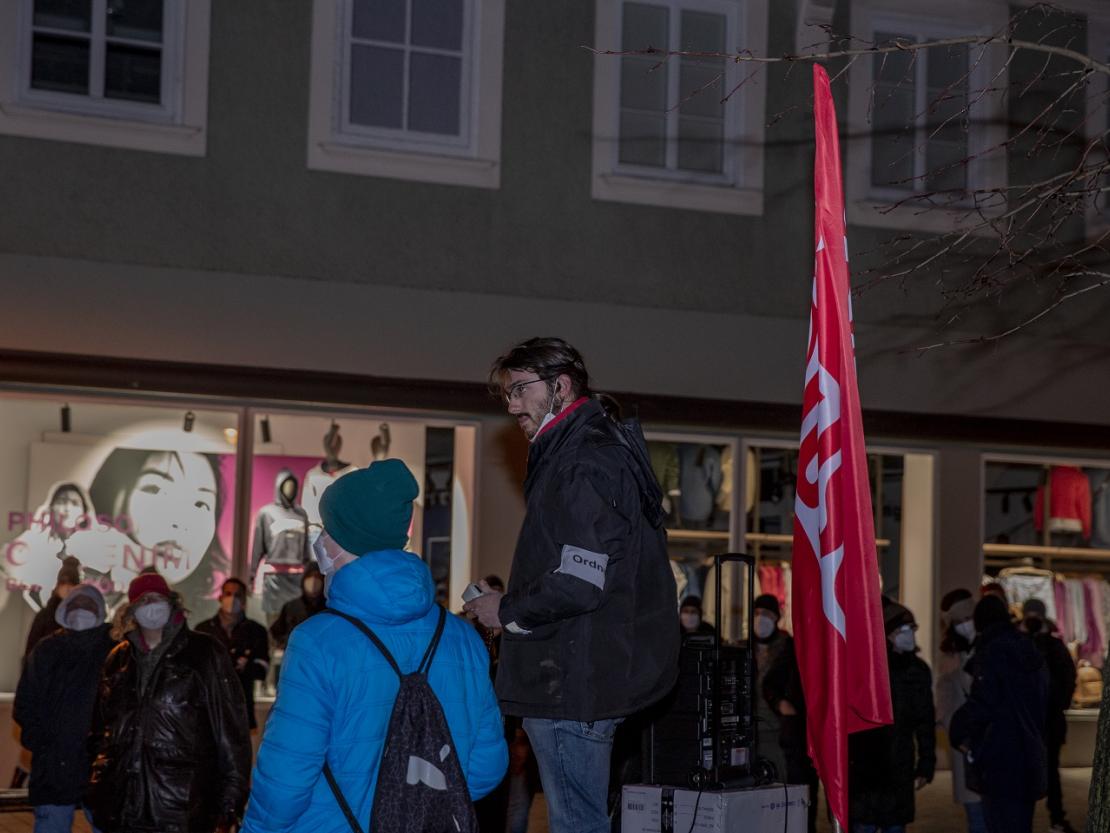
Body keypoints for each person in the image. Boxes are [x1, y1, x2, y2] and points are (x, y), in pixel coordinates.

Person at [465, 337, 679, 833]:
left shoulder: (583, 460)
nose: (512, 405)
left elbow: (580, 582)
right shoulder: (585, 451)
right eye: (507, 394)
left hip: (572, 682)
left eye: (520, 389)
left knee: (576, 824)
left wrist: (507, 608)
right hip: (581, 676)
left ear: (560, 387)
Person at [242, 460, 508, 832]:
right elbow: (485, 768)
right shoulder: (462, 638)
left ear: (348, 539)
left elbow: (286, 780)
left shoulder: (316, 641)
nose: (319, 540)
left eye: (326, 530)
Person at [86, 572, 251, 833]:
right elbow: (101, 731)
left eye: (158, 599)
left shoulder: (203, 653)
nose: (151, 606)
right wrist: (96, 784)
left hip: (181, 806)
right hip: (123, 806)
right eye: (144, 601)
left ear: (172, 602)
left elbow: (230, 727)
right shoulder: (118, 660)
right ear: (131, 610)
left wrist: (232, 796)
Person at [77, 448, 230, 617]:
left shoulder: (205, 623)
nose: (179, 521)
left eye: (201, 504)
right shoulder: (83, 604)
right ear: (115, 496)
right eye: (155, 489)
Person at [14, 584, 114, 833]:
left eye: (88, 607)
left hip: (100, 768)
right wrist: (42, 742)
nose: (81, 612)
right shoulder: (47, 650)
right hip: (53, 765)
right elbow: (25, 703)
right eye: (75, 606)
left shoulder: (114, 651)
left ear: (100, 611)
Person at [950, 594, 1049, 833]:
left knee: (999, 821)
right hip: (1028, 754)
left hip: (1000, 756)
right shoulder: (1027, 649)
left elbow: (984, 701)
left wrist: (958, 727)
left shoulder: (991, 652)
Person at [848, 601, 936, 833]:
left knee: (894, 825)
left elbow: (925, 720)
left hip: (899, 766)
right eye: (903, 630)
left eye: (912, 629)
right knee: (863, 824)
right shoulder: (866, 668)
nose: (910, 635)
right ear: (887, 634)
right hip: (865, 768)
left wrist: (926, 763)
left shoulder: (918, 670)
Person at [756, 594, 819, 833]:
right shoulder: (743, 648)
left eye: (768, 615)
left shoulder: (788, 646)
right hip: (766, 733)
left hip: (791, 732)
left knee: (796, 794)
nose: (761, 620)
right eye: (757, 614)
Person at [1020, 598, 1078, 833]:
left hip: (1049, 721)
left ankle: (1056, 817)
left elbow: (1067, 678)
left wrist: (1057, 705)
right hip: (1026, 722)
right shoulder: (1019, 643)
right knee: (1026, 774)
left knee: (1051, 772)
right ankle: (1027, 820)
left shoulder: (1054, 646)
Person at [935, 588, 984, 833]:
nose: (966, 625)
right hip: (967, 748)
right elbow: (944, 709)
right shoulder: (951, 659)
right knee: (977, 817)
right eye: (960, 621)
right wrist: (961, 737)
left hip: (995, 744)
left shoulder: (990, 646)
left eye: (969, 618)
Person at [196, 577, 271, 731]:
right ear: (220, 597)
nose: (232, 599)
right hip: (207, 710)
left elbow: (262, 670)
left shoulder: (256, 631)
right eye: (228, 594)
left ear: (245, 600)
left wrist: (245, 665)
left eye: (237, 595)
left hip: (241, 709)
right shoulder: (203, 630)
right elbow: (196, 670)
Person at [24, 556, 82, 658]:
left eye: (72, 584)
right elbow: (31, 651)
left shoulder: (82, 616)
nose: (67, 588)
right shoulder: (45, 615)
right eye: (64, 583)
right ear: (58, 585)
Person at [269, 563, 327, 649]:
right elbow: (276, 631)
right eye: (310, 577)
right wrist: (286, 643)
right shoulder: (291, 607)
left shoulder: (328, 608)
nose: (313, 581)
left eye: (317, 577)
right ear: (303, 580)